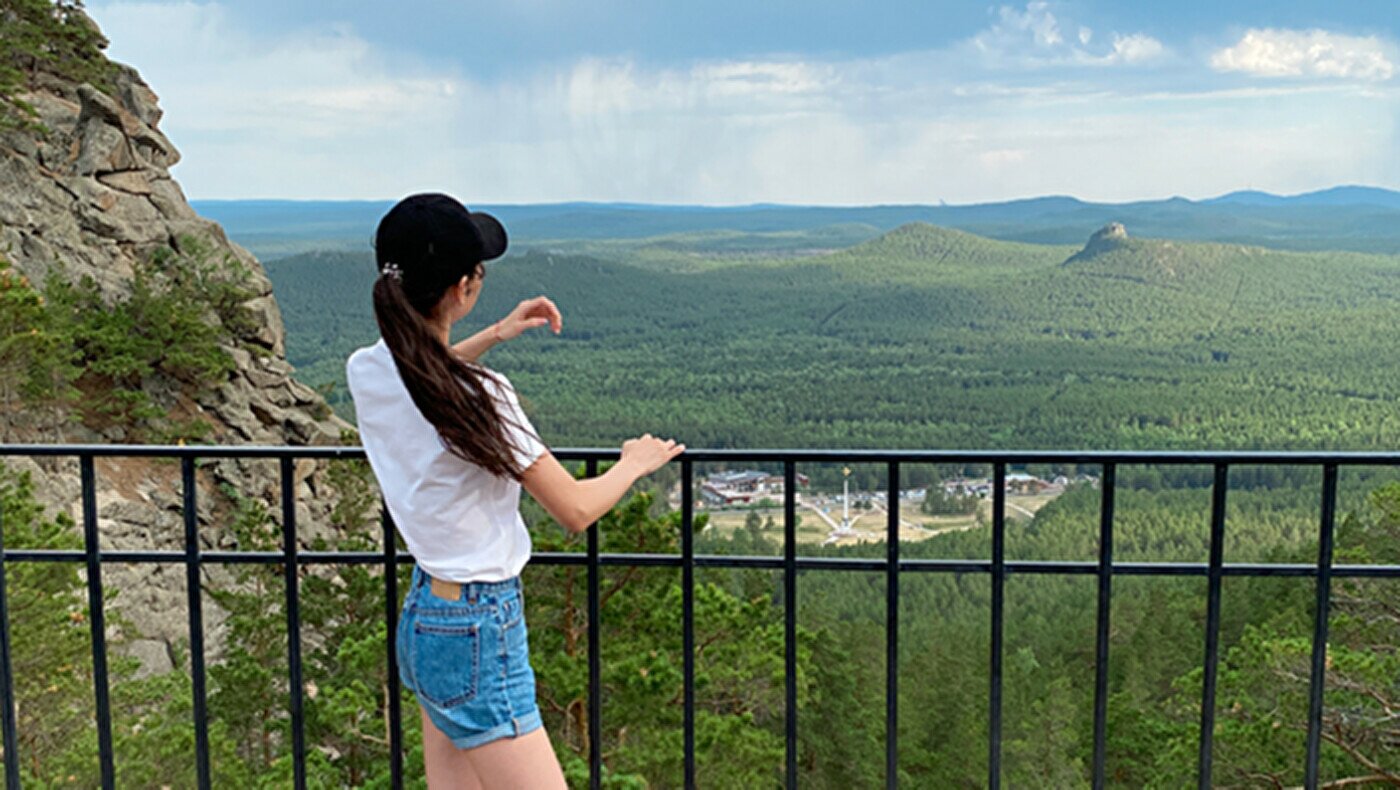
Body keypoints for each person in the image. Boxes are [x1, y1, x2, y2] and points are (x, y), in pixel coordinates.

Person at [345, 193, 684, 788]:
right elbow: (575, 509)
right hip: (479, 622)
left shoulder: (366, 370)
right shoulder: (484, 397)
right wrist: (634, 463)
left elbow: (426, 374)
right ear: (462, 288)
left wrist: (495, 334)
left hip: (425, 616)